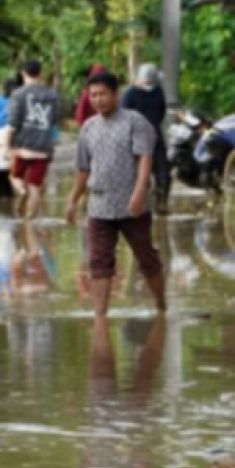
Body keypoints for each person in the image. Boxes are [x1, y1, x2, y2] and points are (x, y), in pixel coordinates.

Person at [67, 71, 166, 317]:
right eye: (93, 95)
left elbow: (145, 159)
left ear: (115, 94)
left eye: (102, 94)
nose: (97, 100)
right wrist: (73, 200)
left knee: (146, 258)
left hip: (133, 206)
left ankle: (161, 305)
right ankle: (100, 315)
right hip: (99, 205)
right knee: (99, 263)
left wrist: (139, 192)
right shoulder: (88, 127)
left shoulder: (135, 122)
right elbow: (83, 168)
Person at [7, 59, 60, 220]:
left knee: (15, 177)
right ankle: (30, 220)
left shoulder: (18, 94)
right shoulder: (52, 95)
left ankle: (21, 192)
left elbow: (13, 124)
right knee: (35, 186)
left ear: (23, 73)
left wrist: (7, 145)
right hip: (43, 148)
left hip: (23, 147)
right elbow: (54, 121)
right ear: (40, 73)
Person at [122, 63, 171, 214]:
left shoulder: (157, 91)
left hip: (153, 135)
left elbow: (162, 110)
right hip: (137, 137)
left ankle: (161, 202)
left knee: (163, 171)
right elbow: (124, 117)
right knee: (139, 172)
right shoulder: (131, 94)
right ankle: (141, 202)